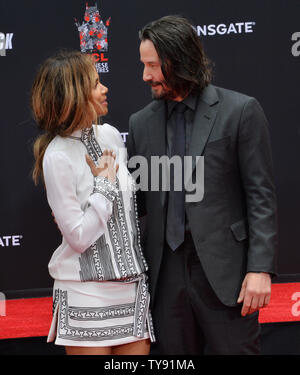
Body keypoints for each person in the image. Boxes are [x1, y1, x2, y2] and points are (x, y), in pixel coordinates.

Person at [126, 15, 278, 355]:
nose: (145, 75)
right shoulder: (140, 123)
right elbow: (137, 205)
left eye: (152, 65)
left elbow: (261, 197)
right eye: (143, 65)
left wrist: (260, 268)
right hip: (165, 278)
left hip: (227, 274)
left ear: (178, 60)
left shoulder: (240, 111)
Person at [31, 50, 155, 355]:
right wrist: (103, 186)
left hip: (131, 285)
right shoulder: (56, 155)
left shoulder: (111, 135)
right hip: (85, 290)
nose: (105, 88)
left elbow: (126, 211)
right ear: (74, 95)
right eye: (96, 83)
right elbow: (79, 238)